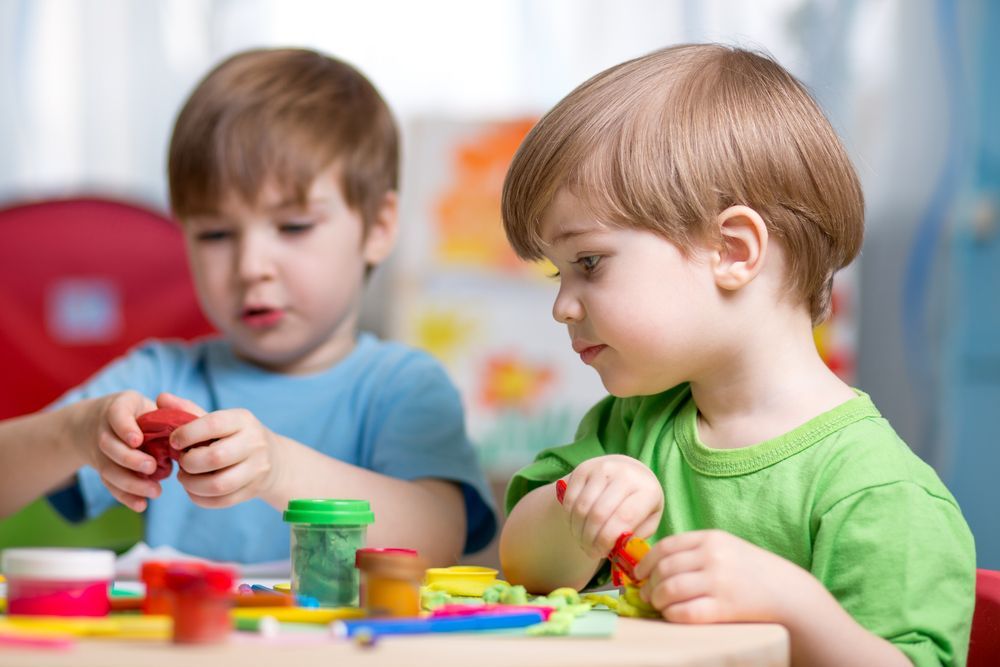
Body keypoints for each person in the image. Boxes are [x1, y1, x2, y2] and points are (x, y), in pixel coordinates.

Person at [498, 44, 973, 667]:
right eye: (557, 275)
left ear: (733, 250)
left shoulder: (876, 490)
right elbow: (522, 566)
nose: (563, 305)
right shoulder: (636, 426)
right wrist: (576, 513)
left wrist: (792, 605)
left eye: (588, 263)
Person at [0, 48, 495, 565]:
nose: (250, 265)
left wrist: (279, 471)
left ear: (378, 228)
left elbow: (440, 536)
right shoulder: (161, 375)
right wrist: (73, 433)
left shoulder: (404, 385)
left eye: (294, 226)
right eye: (215, 233)